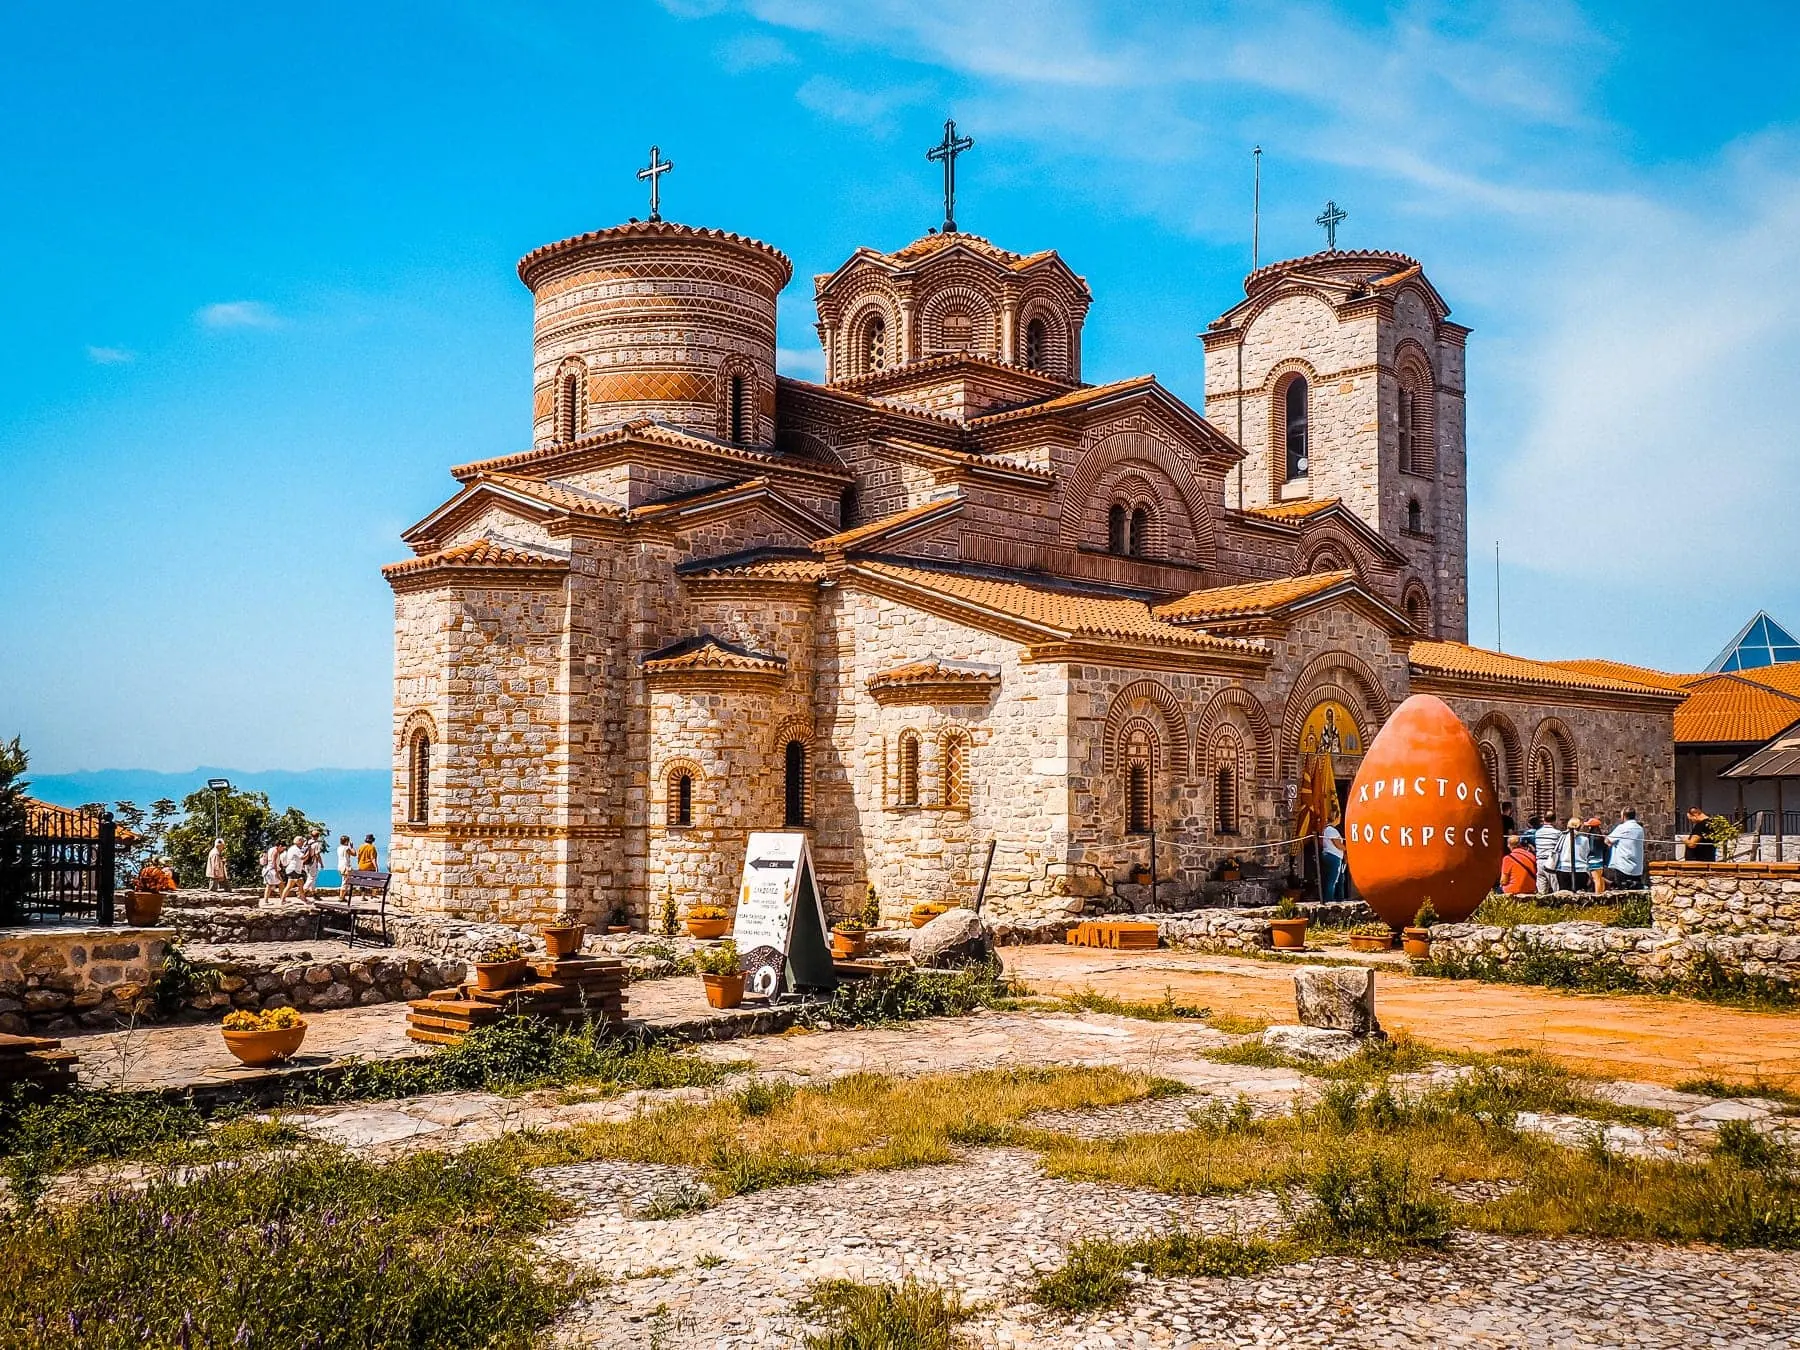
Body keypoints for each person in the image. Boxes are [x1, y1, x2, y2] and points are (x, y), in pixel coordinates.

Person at [1606, 808, 1647, 889]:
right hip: (1637, 868)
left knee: (1622, 891)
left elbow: (1608, 840)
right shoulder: (1640, 829)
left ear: (1623, 816)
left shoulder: (1622, 827)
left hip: (1623, 866)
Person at [1553, 816, 1592, 892]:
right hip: (1581, 869)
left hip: (1563, 868)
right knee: (1580, 895)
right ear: (1580, 827)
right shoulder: (1585, 840)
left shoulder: (1562, 837)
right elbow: (1586, 853)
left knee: (1564, 894)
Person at [1320, 816, 1347, 901]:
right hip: (1334, 856)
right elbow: (1338, 844)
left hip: (1335, 856)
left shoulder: (1327, 830)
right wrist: (1348, 849)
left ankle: (1339, 898)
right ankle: (1329, 899)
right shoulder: (1331, 830)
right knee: (1333, 880)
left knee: (1339, 879)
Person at [1534, 814, 1562, 895]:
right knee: (1556, 889)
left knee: (1541, 890)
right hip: (1551, 861)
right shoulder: (1557, 833)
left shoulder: (1537, 832)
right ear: (1554, 820)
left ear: (1544, 819)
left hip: (1539, 861)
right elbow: (1559, 848)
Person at [279, 836, 307, 900]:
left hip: (295, 870)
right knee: (289, 886)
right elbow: (303, 857)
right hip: (293, 869)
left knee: (301, 883)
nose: (303, 843)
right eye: (302, 841)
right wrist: (309, 852)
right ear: (299, 842)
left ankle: (303, 898)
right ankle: (282, 900)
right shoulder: (295, 849)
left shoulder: (295, 848)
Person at [301, 832, 324, 896]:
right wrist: (321, 863)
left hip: (306, 862)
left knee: (311, 877)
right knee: (312, 877)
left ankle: (313, 893)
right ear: (318, 836)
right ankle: (302, 891)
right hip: (312, 862)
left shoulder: (306, 842)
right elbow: (317, 854)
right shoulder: (316, 844)